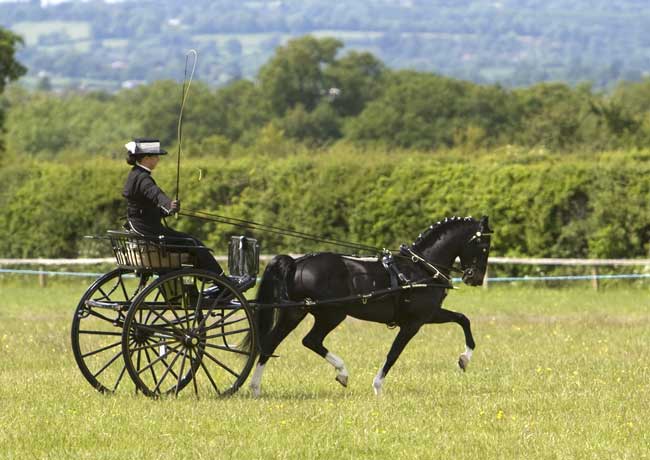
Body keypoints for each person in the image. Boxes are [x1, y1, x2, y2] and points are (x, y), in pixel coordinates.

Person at [122, 138, 225, 275]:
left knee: (191, 242)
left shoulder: (135, 174)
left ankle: (208, 279)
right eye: (156, 156)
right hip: (150, 231)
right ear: (147, 158)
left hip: (143, 227)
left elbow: (145, 207)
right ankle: (221, 280)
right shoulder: (143, 178)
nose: (158, 160)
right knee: (194, 243)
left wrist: (166, 211)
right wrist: (169, 205)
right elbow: (155, 193)